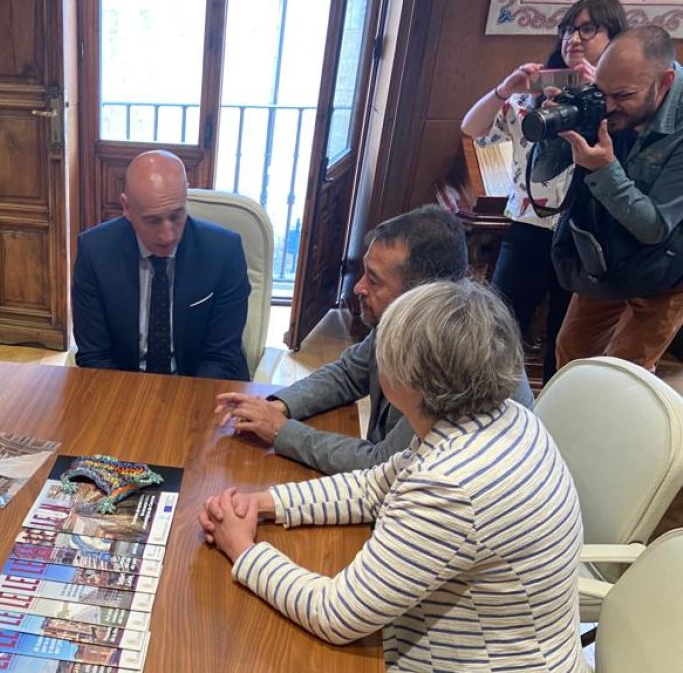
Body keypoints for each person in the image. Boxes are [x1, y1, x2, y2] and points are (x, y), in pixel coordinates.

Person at [200, 280, 586, 672]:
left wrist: (244, 550)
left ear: (404, 378)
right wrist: (264, 503)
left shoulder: (449, 485)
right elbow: (374, 487)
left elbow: (336, 614)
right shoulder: (501, 418)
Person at [214, 205, 534, 474]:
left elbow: (381, 464)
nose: (358, 288)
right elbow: (348, 373)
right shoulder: (410, 319)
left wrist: (282, 431)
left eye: (375, 280)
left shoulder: (456, 360)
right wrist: (279, 406)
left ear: (421, 294)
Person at [461, 0, 626, 380]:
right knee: (497, 329)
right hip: (528, 228)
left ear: (613, 37)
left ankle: (553, 416)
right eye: (568, 29)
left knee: (568, 342)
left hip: (586, 236)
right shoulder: (528, 102)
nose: (574, 39)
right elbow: (472, 128)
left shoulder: (620, 104)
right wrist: (506, 88)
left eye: (588, 29)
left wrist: (599, 92)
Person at [531, 25, 683, 371]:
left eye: (623, 96)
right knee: (572, 351)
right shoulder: (605, 98)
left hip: (668, 265)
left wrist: (604, 170)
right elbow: (541, 176)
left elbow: (656, 228)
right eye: (603, 93)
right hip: (607, 251)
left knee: (624, 370)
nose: (609, 107)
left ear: (665, 82)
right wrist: (558, 129)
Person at [72, 150, 251, 381]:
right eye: (152, 220)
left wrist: (184, 409)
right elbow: (94, 356)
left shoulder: (224, 252)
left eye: (176, 216)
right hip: (125, 386)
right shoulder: (94, 252)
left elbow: (222, 358)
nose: (167, 236)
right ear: (126, 207)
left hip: (204, 386)